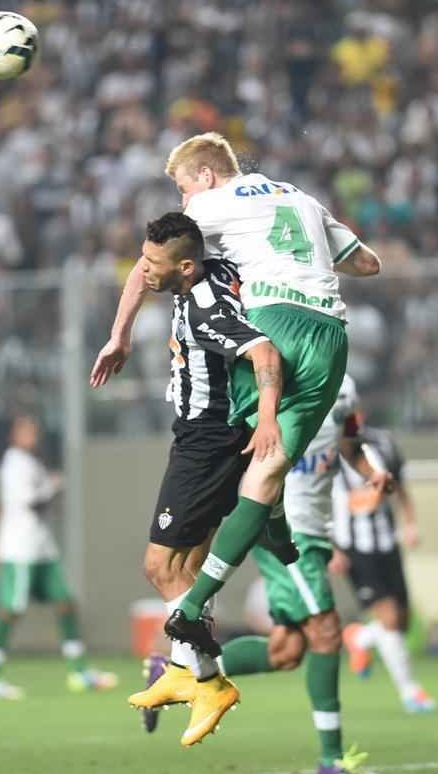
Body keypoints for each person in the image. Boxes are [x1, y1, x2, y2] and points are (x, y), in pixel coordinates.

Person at [92, 131, 383, 669]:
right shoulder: (303, 198)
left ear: (205, 175)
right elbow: (367, 264)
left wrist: (120, 335)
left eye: (183, 188)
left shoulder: (211, 204)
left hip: (273, 324)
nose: (184, 202)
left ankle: (196, 618)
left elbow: (152, 262)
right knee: (269, 464)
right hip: (329, 334)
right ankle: (269, 531)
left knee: (250, 441)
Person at [121, 212, 285, 746]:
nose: (143, 271)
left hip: (205, 442)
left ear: (184, 266)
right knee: (188, 566)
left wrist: (265, 419)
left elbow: (263, 350)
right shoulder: (211, 271)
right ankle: (178, 666)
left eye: (153, 264)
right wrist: (118, 333)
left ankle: (204, 679)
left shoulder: (202, 307)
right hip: (211, 439)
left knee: (160, 566)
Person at [213, 374, 385, 774]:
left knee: (286, 651)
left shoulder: (344, 385)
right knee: (327, 631)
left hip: (315, 530)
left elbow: (350, 436)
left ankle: (183, 668)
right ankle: (332, 760)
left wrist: (370, 471)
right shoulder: (270, 377)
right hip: (285, 529)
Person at [0, 414, 117, 699]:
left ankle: (79, 673)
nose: (32, 435)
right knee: (11, 610)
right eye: (25, 430)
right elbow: (32, 503)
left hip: (41, 547)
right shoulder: (14, 464)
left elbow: (3, 507)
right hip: (19, 549)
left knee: (65, 603)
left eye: (34, 430)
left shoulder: (30, 462)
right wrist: (53, 485)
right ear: (13, 435)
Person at [330, 422, 436, 713]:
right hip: (354, 547)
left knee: (402, 619)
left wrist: (410, 524)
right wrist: (332, 547)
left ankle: (360, 636)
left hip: (387, 542)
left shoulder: (382, 444)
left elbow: (399, 487)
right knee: (388, 616)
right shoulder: (320, 448)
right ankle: (410, 691)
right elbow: (311, 498)